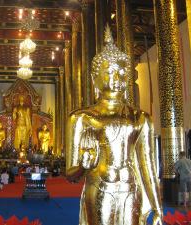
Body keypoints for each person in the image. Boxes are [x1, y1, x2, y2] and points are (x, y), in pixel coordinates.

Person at [66, 26, 162, 225]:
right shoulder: (82, 118)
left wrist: (157, 206)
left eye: (121, 72)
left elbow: (148, 166)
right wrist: (83, 166)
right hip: (100, 188)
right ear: (95, 79)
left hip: (131, 189)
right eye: (109, 72)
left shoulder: (140, 117)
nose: (116, 78)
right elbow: (71, 174)